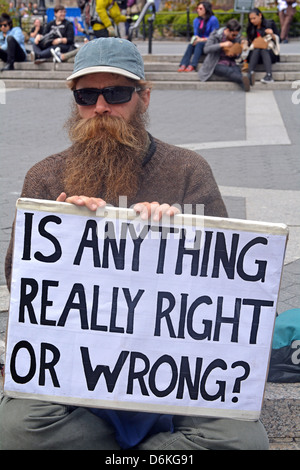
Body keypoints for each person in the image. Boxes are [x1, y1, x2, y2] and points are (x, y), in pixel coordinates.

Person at [0, 37, 269, 451]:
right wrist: (56, 230)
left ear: (144, 97)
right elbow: (20, 285)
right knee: (16, 431)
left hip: (173, 368)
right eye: (87, 95)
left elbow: (227, 288)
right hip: (76, 367)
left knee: (243, 440)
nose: (101, 107)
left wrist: (185, 234)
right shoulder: (46, 176)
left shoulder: (187, 170)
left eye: (117, 93)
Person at [198, 19, 253, 92]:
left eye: (236, 35)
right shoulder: (215, 35)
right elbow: (206, 49)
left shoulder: (236, 38)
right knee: (229, 71)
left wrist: (236, 54)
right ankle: (248, 78)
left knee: (236, 71)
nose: (234, 37)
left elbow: (238, 55)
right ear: (227, 30)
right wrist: (222, 44)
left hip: (231, 62)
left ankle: (245, 86)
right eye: (233, 35)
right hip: (216, 63)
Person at [178, 1, 219, 72]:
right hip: (199, 43)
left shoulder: (213, 19)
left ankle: (193, 65)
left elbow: (215, 36)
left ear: (206, 9)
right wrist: (195, 39)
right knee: (190, 45)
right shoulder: (196, 20)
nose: (198, 10)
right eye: (197, 8)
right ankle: (183, 64)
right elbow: (196, 34)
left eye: (200, 9)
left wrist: (202, 40)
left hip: (210, 43)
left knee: (199, 44)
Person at [246, 8, 280, 84]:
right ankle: (250, 74)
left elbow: (278, 39)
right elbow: (249, 44)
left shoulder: (270, 24)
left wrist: (271, 34)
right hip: (255, 55)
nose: (252, 21)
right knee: (258, 48)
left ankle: (269, 75)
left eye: (254, 18)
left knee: (263, 49)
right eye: (251, 19)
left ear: (260, 15)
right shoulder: (251, 28)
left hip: (269, 53)